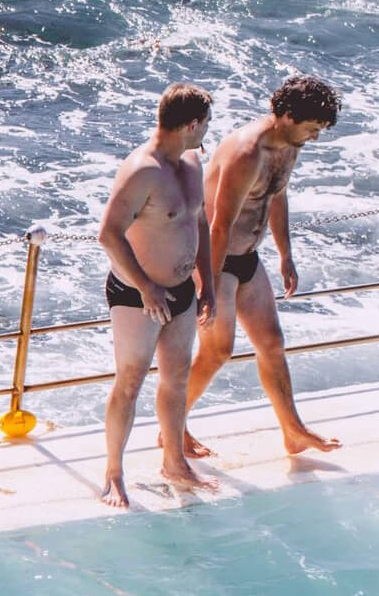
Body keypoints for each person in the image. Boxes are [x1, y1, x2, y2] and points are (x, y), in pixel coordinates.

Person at [185, 74, 344, 456]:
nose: (315, 137)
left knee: (272, 342)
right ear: (287, 116)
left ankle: (293, 431)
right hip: (215, 260)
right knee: (216, 352)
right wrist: (207, 285)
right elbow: (219, 225)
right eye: (312, 128)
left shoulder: (290, 144)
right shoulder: (247, 152)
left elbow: (277, 196)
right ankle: (172, 428)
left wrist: (285, 253)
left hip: (248, 259)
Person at [96, 85, 220, 507]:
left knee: (177, 375)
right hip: (137, 294)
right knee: (129, 381)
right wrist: (147, 287)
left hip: (183, 289)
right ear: (191, 124)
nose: (207, 130)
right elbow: (108, 235)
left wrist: (207, 281)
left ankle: (174, 460)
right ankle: (113, 471)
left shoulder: (192, 161)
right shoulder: (142, 170)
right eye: (205, 122)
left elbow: (199, 222)